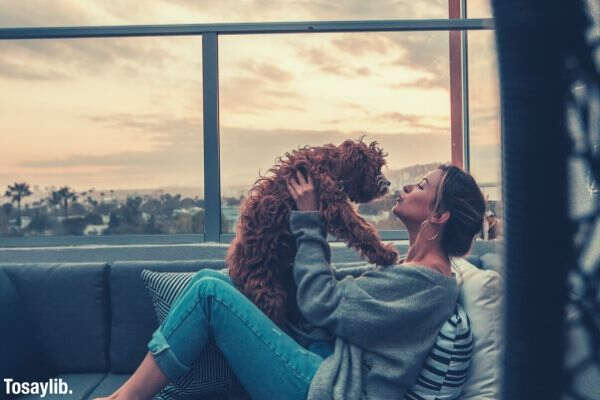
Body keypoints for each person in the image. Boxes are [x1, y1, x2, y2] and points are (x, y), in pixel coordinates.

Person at [94, 163, 485, 400]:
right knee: (217, 279)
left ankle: (126, 395)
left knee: (208, 292)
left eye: (421, 186)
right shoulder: (414, 270)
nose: (407, 188)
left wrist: (309, 219)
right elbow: (344, 304)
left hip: (325, 390)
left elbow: (323, 304)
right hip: (325, 360)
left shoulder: (426, 284)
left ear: (440, 215)